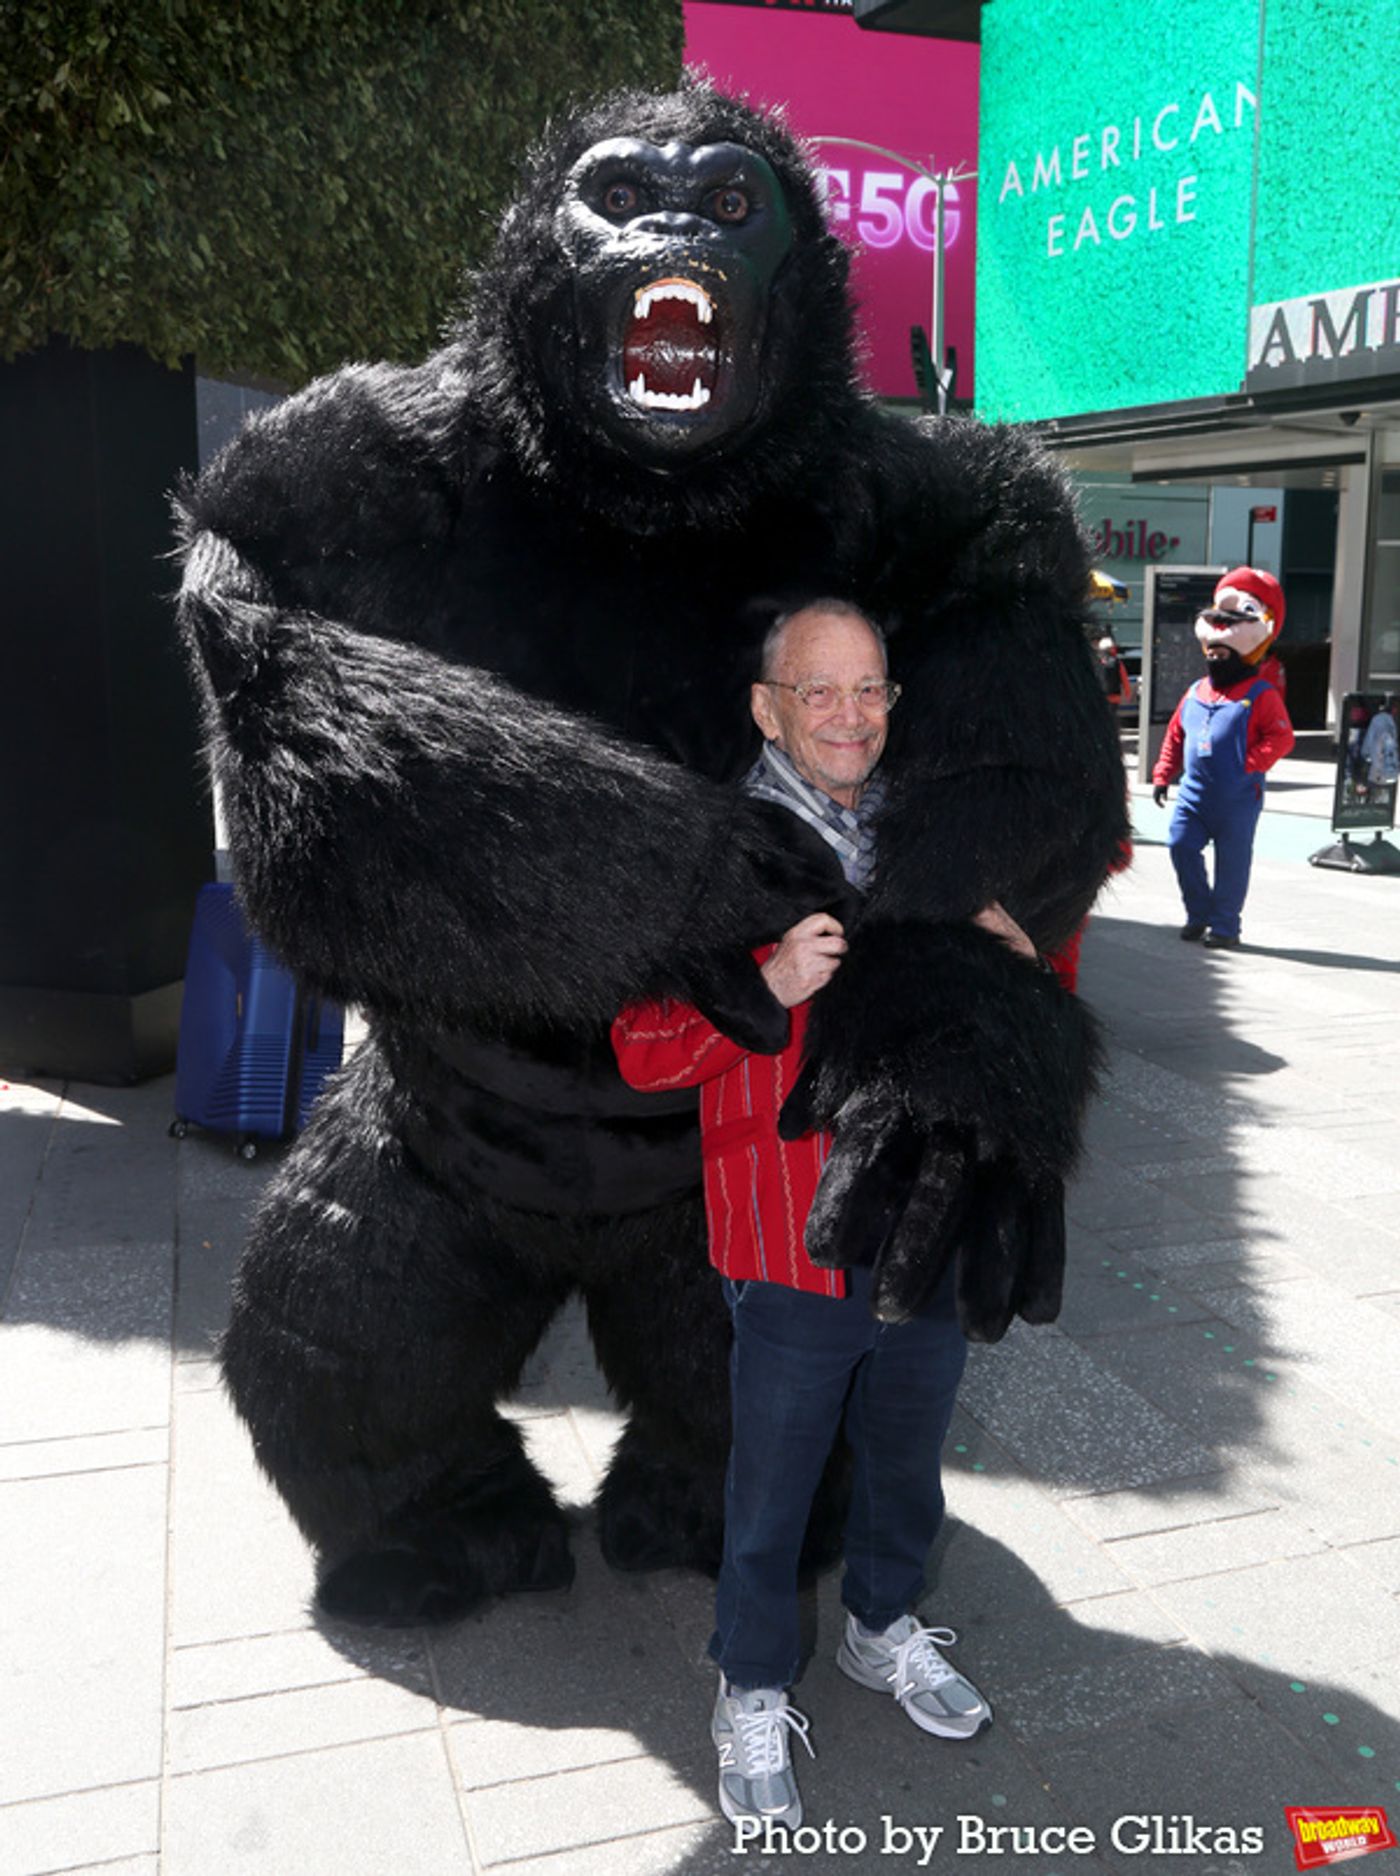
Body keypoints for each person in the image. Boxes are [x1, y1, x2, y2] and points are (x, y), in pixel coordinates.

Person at [612, 600, 1037, 1831]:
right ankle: (748, 1685)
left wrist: (1021, 958)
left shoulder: (925, 839)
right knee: (775, 1479)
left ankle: (881, 1625)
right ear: (766, 706)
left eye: (869, 690)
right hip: (789, 1231)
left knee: (906, 1455)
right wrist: (763, 982)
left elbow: (1011, 1011)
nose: (850, 716)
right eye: (820, 691)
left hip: (926, 1216)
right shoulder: (711, 855)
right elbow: (640, 1048)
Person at [1152, 567, 1295, 948]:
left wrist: (1251, 764)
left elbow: (1281, 738)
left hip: (1237, 800)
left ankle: (1225, 927)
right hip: (1194, 796)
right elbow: (1176, 734)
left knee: (1232, 864)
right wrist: (1163, 773)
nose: (1216, 655)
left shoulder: (1262, 694)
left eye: (1223, 651)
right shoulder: (1196, 690)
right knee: (1180, 845)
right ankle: (1198, 912)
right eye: (1211, 651)